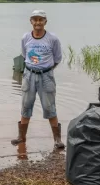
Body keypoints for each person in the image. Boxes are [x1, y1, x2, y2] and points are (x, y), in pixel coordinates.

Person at [11, 9, 65, 149]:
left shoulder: (53, 39)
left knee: (49, 107)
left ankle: (57, 139)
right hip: (29, 75)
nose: (38, 22)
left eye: (41, 19)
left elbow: (57, 58)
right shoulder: (26, 38)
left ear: (45, 22)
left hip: (46, 76)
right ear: (31, 22)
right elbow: (24, 54)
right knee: (26, 105)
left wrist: (46, 70)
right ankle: (21, 137)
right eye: (35, 19)